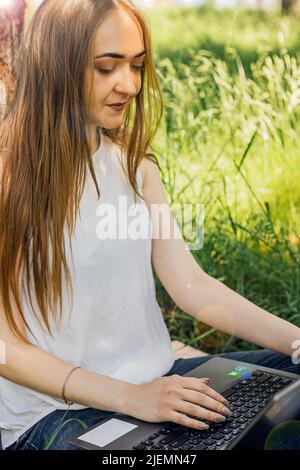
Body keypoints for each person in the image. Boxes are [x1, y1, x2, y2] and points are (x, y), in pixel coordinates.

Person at [0, 0, 299, 451]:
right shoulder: (10, 178)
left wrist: (297, 341)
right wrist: (131, 398)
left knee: (290, 373)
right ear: (56, 67)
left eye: (137, 66)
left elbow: (191, 285)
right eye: (107, 67)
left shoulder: (136, 166)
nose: (130, 84)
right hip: (54, 415)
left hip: (157, 384)